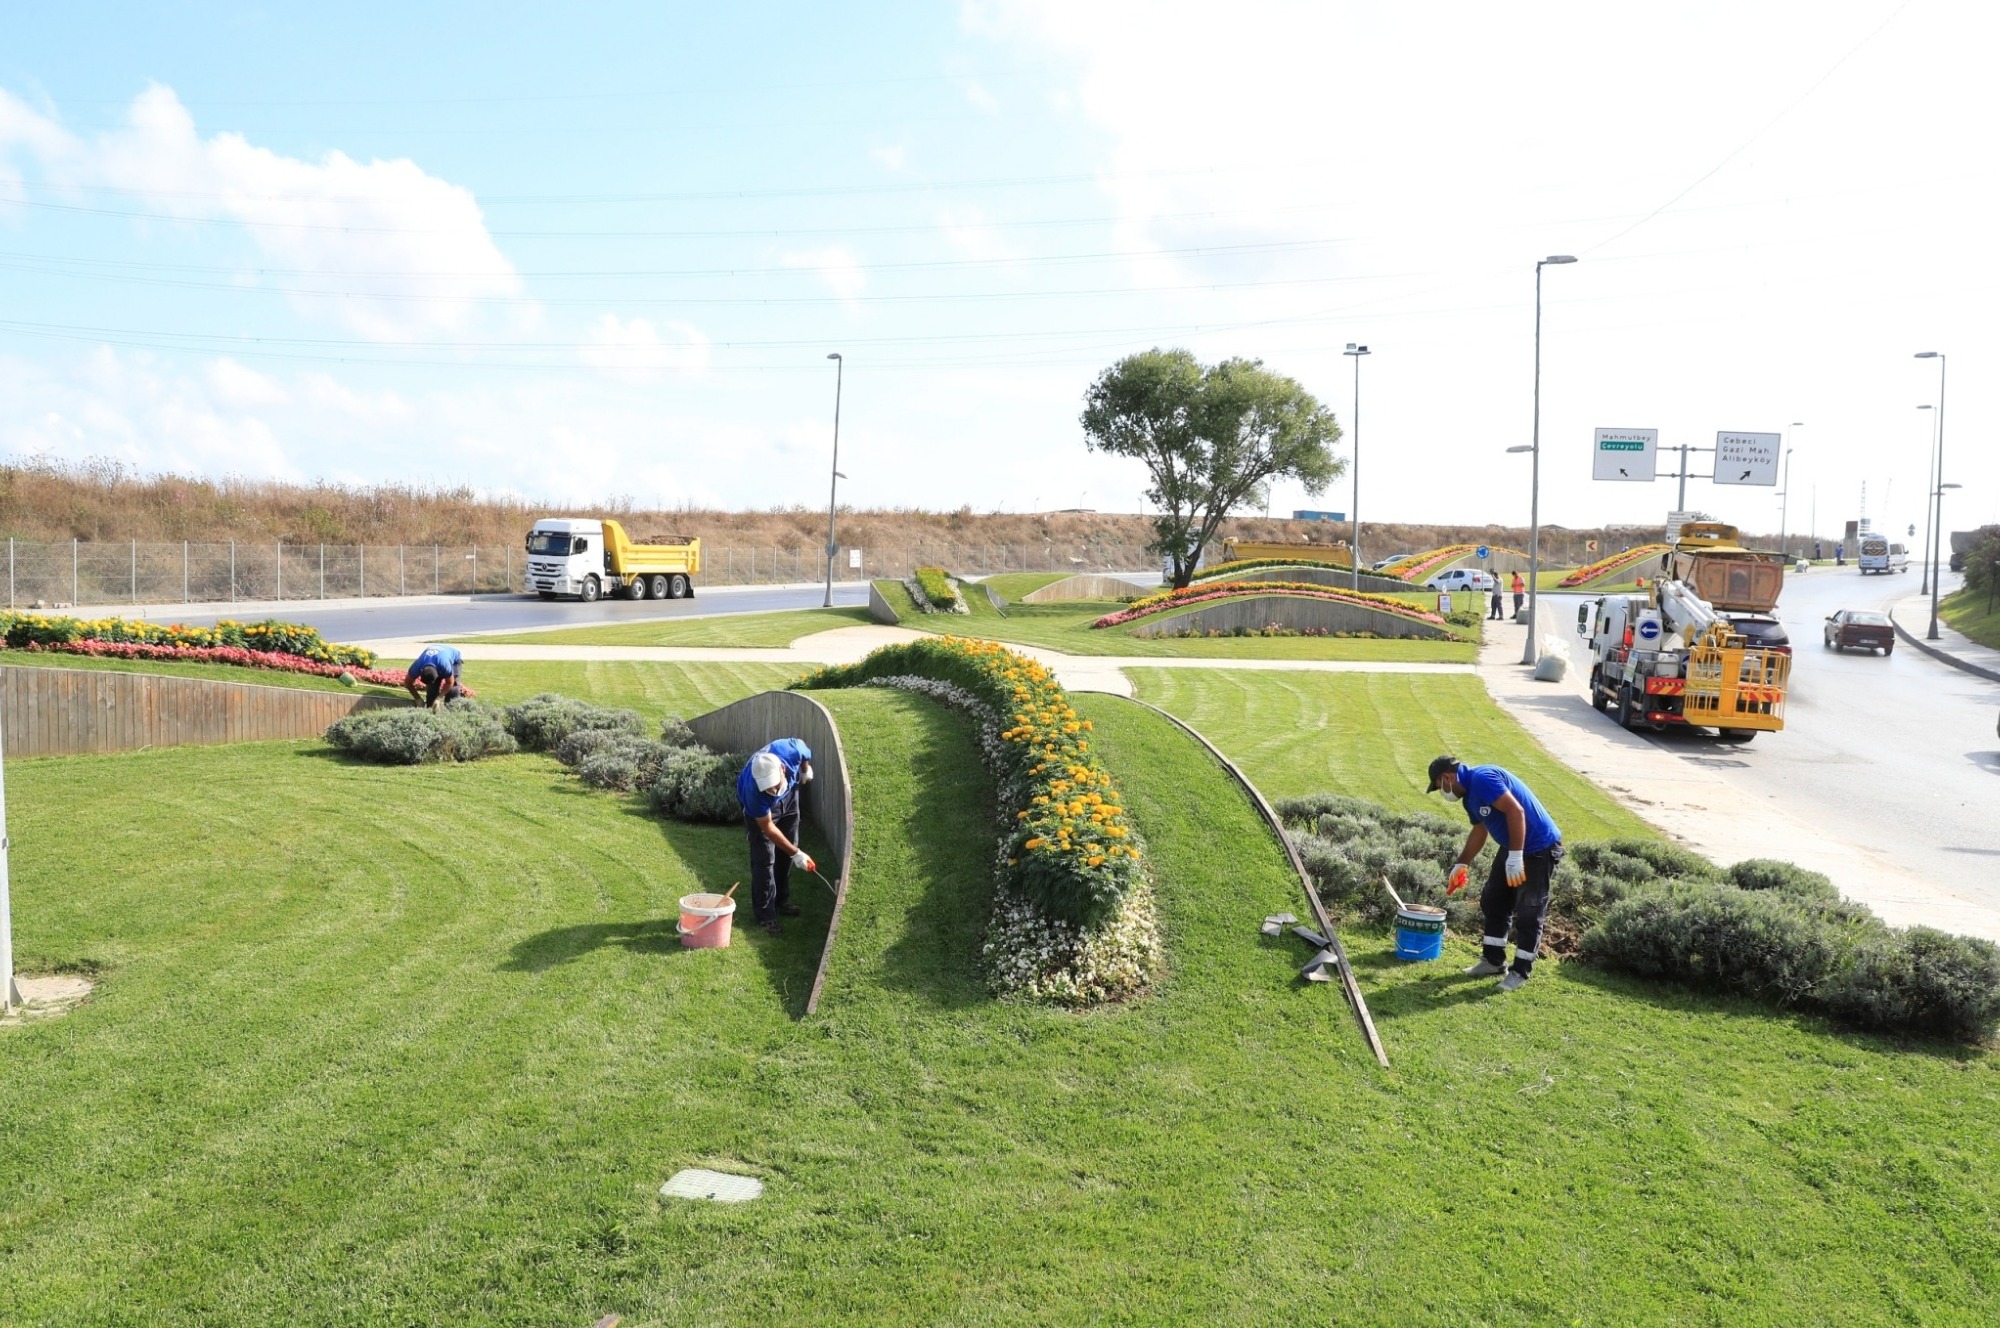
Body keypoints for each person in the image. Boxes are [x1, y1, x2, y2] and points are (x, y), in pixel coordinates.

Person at [1426, 754, 1565, 991]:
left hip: (1539, 848)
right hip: (1514, 847)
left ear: (1446, 777)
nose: (1442, 791)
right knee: (1494, 900)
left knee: (1529, 911)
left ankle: (1520, 972)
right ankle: (1493, 961)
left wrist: (1515, 856)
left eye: (1439, 786)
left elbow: (1516, 812)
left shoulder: (1483, 779)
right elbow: (1480, 831)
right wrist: (1462, 864)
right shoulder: (1469, 796)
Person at [736, 738, 816, 935]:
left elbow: (804, 751)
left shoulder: (790, 750)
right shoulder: (754, 792)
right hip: (763, 813)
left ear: (782, 768)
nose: (772, 791)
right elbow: (768, 828)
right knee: (764, 860)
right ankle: (766, 916)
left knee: (789, 846)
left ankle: (781, 901)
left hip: (789, 798)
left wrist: (805, 770)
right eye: (767, 788)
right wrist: (797, 853)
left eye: (773, 785)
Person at [404, 644, 471, 709]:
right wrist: (417, 698)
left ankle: (451, 713)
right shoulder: (417, 666)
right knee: (431, 690)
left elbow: (450, 682)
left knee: (453, 689)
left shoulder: (444, 665)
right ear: (421, 671)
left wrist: (439, 698)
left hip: (454, 659)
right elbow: (407, 682)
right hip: (437, 658)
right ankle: (430, 712)